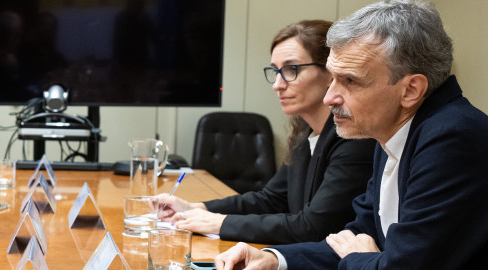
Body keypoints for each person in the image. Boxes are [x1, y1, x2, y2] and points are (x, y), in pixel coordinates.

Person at [216, 0, 488, 270]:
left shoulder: (453, 137)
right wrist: (273, 258)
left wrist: (362, 257)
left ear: (410, 90)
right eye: (332, 77)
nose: (331, 96)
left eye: (349, 81)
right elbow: (354, 239)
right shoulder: (393, 128)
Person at [153, 20, 375, 244]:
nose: (277, 84)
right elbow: (271, 199)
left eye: (291, 69)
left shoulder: (355, 139)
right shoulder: (306, 133)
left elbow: (313, 227)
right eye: (276, 71)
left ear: (331, 72)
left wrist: (218, 223)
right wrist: (196, 207)